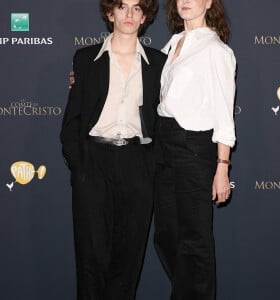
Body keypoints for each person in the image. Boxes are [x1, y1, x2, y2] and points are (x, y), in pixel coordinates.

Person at [60, 0, 166, 299]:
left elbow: (165, 120)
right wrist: (80, 164)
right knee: (91, 257)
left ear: (145, 16)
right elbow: (72, 120)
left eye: (136, 8)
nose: (129, 14)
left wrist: (150, 166)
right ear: (110, 13)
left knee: (128, 258)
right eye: (122, 6)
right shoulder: (85, 58)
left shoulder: (158, 63)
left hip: (137, 164)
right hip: (93, 162)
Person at [153, 0, 236, 299]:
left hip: (193, 147)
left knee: (194, 240)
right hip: (163, 146)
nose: (185, 1)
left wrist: (222, 166)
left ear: (209, 2)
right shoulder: (172, 44)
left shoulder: (216, 50)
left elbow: (225, 113)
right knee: (165, 236)